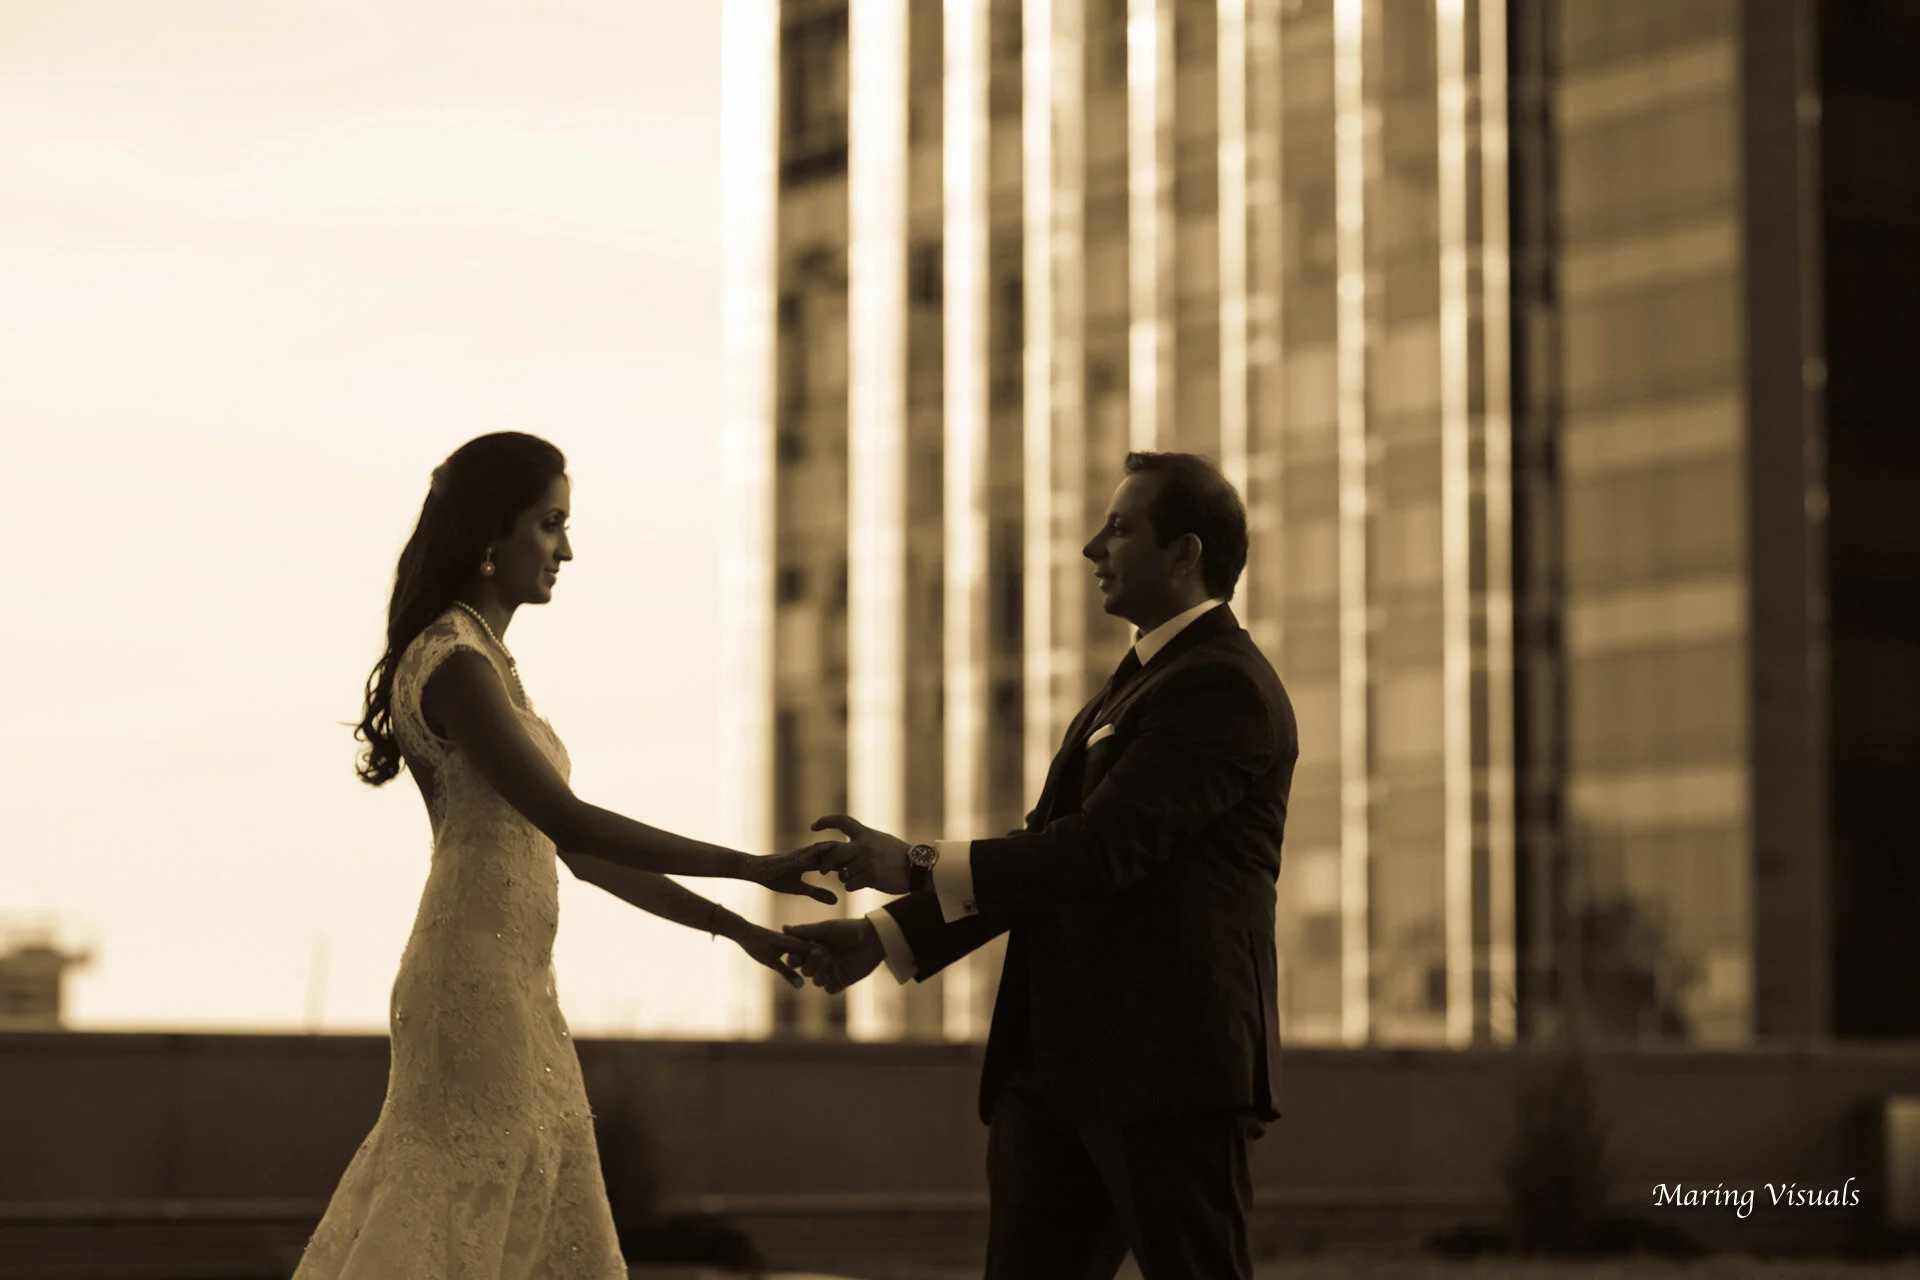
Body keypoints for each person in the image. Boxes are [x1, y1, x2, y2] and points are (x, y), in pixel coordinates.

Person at [294, 432, 832, 1278]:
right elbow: (573, 826)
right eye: (551, 524)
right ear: (491, 531)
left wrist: (739, 928)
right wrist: (755, 866)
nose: (566, 550)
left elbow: (581, 859)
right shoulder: (455, 662)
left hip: (517, 985)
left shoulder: (489, 664)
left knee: (524, 1209)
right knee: (461, 1210)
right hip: (470, 985)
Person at [789, 451, 1297, 1280]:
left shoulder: (1223, 687)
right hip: (1056, 1072)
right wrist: (884, 936)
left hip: (1169, 1072)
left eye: (1120, 529)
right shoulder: (1134, 685)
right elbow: (1044, 857)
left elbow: (1096, 853)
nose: (1093, 548)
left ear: (1184, 554)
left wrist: (911, 862)